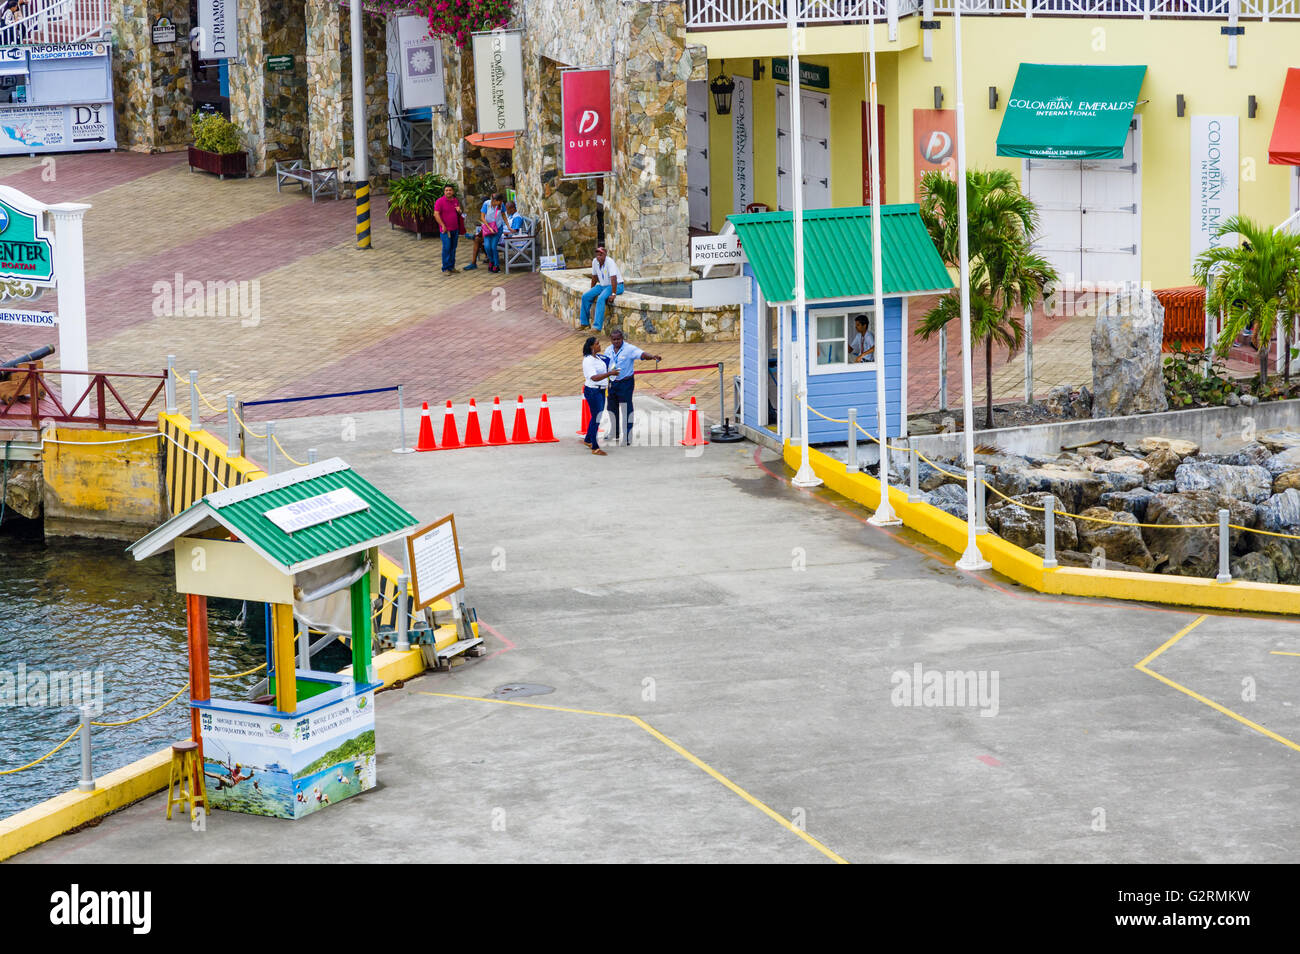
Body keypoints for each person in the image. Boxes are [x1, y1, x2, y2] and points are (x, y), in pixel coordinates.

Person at [603, 328, 662, 445]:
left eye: (618, 339)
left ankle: (627, 436)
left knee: (626, 409)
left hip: (626, 383)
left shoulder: (629, 349)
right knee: (611, 408)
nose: (616, 342)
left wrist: (653, 357)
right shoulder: (608, 350)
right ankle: (614, 432)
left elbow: (642, 354)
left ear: (622, 338)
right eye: (613, 339)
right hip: (612, 383)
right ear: (610, 339)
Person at [582, 335, 620, 456]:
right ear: (592, 346)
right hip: (593, 391)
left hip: (601, 391)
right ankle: (595, 446)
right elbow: (594, 377)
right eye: (597, 344)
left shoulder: (598, 358)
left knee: (596, 416)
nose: (600, 345)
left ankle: (588, 439)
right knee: (596, 418)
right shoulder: (588, 361)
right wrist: (609, 373)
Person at [578, 246, 622, 331]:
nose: (598, 256)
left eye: (601, 255)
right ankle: (584, 323)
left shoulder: (610, 262)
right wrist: (592, 290)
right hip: (602, 286)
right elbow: (594, 276)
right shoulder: (595, 262)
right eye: (597, 254)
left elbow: (614, 278)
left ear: (605, 255)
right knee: (585, 296)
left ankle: (597, 327)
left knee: (601, 298)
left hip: (617, 285)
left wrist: (613, 294)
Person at [433, 184, 466, 274]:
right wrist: (442, 225)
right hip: (445, 230)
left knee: (453, 248)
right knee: (447, 248)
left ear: (453, 191)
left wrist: (459, 211)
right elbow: (436, 214)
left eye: (450, 190)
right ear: (444, 192)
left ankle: (452, 267)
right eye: (446, 190)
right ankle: (445, 268)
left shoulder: (455, 200)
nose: (448, 192)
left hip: (455, 229)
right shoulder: (440, 201)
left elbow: (460, 214)